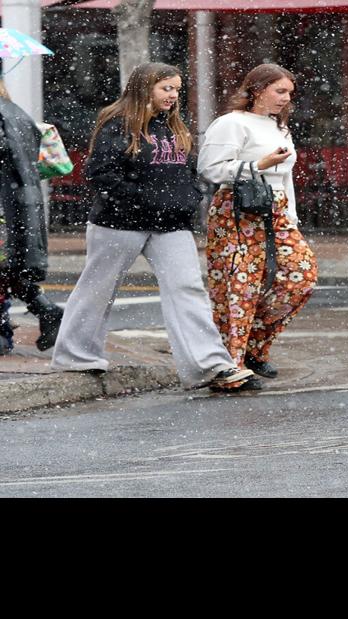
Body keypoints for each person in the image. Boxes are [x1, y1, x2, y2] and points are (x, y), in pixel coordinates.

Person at [51, 62, 258, 392]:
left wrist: (189, 198)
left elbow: (189, 172)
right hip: (119, 223)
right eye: (166, 88)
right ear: (145, 87)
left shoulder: (174, 127)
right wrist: (142, 200)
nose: (173, 95)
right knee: (98, 288)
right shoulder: (118, 124)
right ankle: (75, 357)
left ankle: (210, 365)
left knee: (188, 289)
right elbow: (100, 173)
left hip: (171, 224)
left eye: (177, 89)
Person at [198, 63, 318, 379]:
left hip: (275, 209)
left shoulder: (280, 127)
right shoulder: (232, 123)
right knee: (239, 287)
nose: (286, 98)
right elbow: (210, 168)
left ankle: (253, 344)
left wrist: (291, 216)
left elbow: (285, 176)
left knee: (301, 277)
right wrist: (257, 165)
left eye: (289, 93)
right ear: (258, 89)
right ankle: (230, 366)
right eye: (280, 91)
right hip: (237, 210)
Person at [0, 78, 63, 355]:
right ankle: (45, 311)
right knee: (9, 266)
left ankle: (7, 330)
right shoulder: (15, 113)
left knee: (7, 265)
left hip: (7, 203)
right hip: (16, 204)